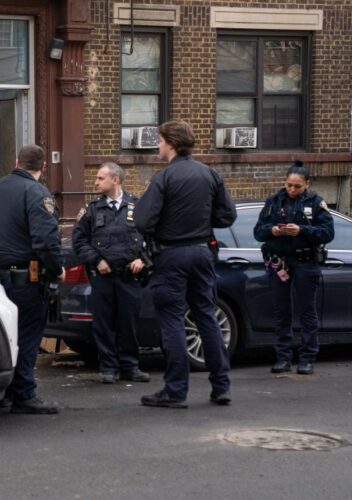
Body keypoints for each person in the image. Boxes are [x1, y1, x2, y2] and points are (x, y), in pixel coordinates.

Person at [134, 120, 237, 409]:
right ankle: (221, 387)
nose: (158, 145)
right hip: (202, 252)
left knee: (173, 320)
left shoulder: (164, 177)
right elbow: (227, 216)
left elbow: (142, 221)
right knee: (206, 315)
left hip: (172, 255)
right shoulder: (209, 173)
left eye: (160, 140)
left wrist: (167, 225)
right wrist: (200, 222)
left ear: (170, 143)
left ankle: (175, 390)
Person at [0, 144, 64, 414]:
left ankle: (6, 392)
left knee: (7, 335)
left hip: (0, 274)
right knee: (27, 336)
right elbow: (45, 240)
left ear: (17, 162)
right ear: (43, 167)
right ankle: (24, 394)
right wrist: (57, 269)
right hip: (29, 276)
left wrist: (3, 250)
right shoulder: (37, 192)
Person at [71, 162, 150, 385]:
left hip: (129, 276)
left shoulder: (137, 206)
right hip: (103, 277)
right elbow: (79, 241)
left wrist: (142, 259)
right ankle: (108, 368)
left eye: (100, 178)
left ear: (115, 180)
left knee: (129, 323)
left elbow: (151, 238)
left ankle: (130, 366)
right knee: (103, 324)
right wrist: (97, 260)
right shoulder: (91, 209)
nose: (95, 182)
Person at [253, 161, 334, 375]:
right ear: (284, 182)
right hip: (279, 261)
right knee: (282, 311)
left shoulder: (316, 203)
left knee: (307, 311)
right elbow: (258, 232)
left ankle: (307, 359)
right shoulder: (273, 202)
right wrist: (273, 231)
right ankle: (283, 358)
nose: (292, 189)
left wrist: (302, 230)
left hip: (305, 261)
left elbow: (328, 233)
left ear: (307, 184)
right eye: (289, 185)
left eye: (297, 186)